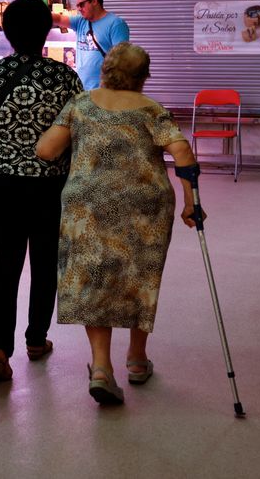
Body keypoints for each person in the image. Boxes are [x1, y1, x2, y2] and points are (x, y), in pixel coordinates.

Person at [36, 42, 204, 405]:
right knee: (138, 277)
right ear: (144, 76)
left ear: (105, 70)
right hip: (144, 207)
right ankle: (137, 360)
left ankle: (100, 367)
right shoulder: (152, 109)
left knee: (94, 278)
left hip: (88, 205)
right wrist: (192, 203)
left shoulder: (79, 105)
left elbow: (47, 150)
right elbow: (183, 154)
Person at [0, 0, 83, 383]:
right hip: (52, 185)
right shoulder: (65, 78)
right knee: (45, 261)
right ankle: (37, 339)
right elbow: (77, 137)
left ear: (7, 32)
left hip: (4, 184)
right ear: (46, 32)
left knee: (6, 263)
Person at [52, 0, 129, 90]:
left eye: (81, 5)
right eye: (77, 6)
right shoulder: (80, 21)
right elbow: (59, 19)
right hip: (82, 89)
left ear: (94, 1)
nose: (79, 9)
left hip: (105, 91)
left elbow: (122, 60)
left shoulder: (116, 24)